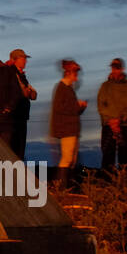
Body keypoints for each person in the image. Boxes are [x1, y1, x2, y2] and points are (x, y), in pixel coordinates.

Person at [49, 60, 88, 190]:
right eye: (75, 72)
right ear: (69, 73)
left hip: (72, 128)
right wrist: (77, 106)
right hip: (67, 129)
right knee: (67, 158)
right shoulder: (62, 87)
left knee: (71, 160)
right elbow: (60, 107)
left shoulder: (68, 89)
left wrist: (80, 107)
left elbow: (69, 109)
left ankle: (68, 187)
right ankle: (61, 188)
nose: (76, 76)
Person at [96, 58, 127, 172]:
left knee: (125, 158)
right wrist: (111, 121)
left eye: (117, 67)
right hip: (108, 126)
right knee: (107, 157)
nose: (115, 70)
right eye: (113, 67)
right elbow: (101, 106)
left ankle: (123, 184)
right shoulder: (104, 86)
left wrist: (120, 119)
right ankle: (106, 184)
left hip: (126, 125)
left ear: (122, 69)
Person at [6, 49, 38, 158]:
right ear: (14, 60)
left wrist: (27, 92)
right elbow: (23, 92)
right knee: (15, 149)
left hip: (21, 115)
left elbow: (34, 94)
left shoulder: (22, 75)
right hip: (14, 116)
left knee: (19, 149)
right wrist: (26, 92)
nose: (25, 61)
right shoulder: (11, 73)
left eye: (25, 59)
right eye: (22, 58)